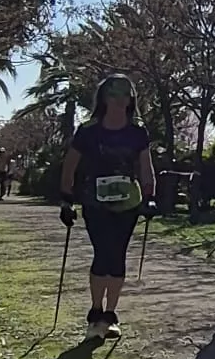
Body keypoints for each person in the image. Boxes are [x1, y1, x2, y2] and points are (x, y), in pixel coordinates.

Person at [59, 74, 156, 339]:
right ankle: (95, 311)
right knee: (103, 252)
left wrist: (150, 196)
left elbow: (146, 166)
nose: (119, 100)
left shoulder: (137, 131)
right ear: (103, 98)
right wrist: (66, 198)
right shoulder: (89, 130)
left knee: (118, 255)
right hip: (95, 200)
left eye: (125, 95)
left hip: (128, 202)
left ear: (131, 99)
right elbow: (70, 166)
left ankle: (111, 314)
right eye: (113, 94)